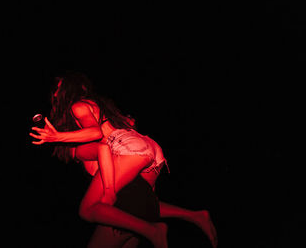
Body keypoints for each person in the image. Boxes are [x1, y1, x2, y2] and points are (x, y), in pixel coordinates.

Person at [30, 72, 217, 248]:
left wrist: (57, 137)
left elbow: (95, 132)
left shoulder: (78, 107)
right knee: (144, 203)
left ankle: (154, 230)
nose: (54, 94)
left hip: (129, 149)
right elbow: (127, 124)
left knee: (87, 209)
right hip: (148, 149)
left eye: (58, 88)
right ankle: (194, 216)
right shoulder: (100, 105)